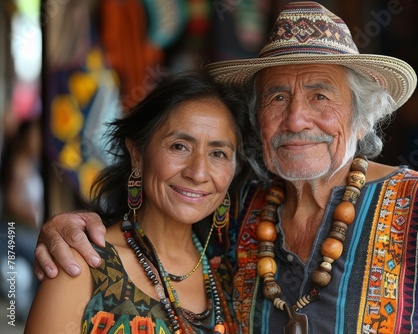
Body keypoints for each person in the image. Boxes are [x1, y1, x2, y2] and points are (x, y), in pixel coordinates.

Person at [33, 2, 418, 333]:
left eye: (320, 95)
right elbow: (156, 234)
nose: (296, 119)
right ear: (259, 119)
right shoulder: (239, 211)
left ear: (360, 118)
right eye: (278, 97)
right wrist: (66, 226)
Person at [25, 71, 255, 333]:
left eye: (218, 153)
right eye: (179, 146)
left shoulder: (230, 271)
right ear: (137, 154)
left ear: (234, 169)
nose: (198, 173)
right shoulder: (81, 265)